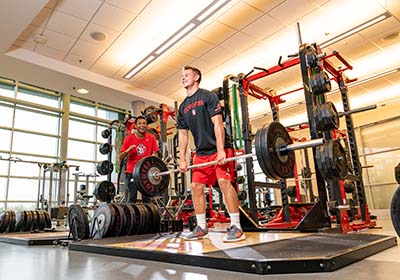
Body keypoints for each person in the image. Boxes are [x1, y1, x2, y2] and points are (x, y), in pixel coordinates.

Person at [177, 65, 246, 242]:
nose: (183, 78)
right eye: (182, 76)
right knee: (196, 187)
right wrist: (182, 158)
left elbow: (218, 124)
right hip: (201, 152)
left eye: (186, 75)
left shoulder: (208, 96)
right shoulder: (183, 107)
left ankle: (237, 226)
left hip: (219, 148)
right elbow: (183, 135)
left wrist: (222, 150)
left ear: (196, 77)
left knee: (224, 182)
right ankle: (201, 227)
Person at [120, 115, 159, 203]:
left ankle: (148, 216)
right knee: (132, 197)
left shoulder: (151, 138)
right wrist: (128, 150)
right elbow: (120, 156)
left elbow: (155, 153)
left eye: (144, 123)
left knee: (147, 198)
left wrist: (154, 167)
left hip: (145, 172)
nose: (142, 125)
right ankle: (131, 216)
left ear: (146, 125)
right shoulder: (129, 139)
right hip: (131, 172)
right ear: (136, 126)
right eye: (140, 123)